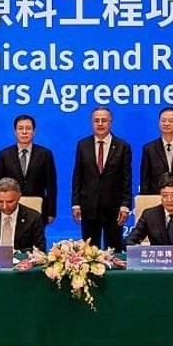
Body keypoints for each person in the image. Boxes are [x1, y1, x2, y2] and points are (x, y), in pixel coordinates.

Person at [71, 107, 132, 251]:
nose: (100, 124)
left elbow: (126, 179)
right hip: (89, 206)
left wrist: (125, 205)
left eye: (103, 120)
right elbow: (78, 175)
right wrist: (76, 204)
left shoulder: (122, 146)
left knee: (114, 251)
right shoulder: (83, 145)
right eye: (96, 120)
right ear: (92, 123)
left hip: (114, 208)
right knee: (89, 252)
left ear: (110, 122)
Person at [0, 114, 57, 226]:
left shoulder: (45, 154)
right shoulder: (4, 155)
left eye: (28, 128)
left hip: (37, 207)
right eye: (20, 128)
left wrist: (51, 212)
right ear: (15, 132)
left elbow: (51, 185)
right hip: (10, 207)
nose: (24, 132)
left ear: (34, 131)